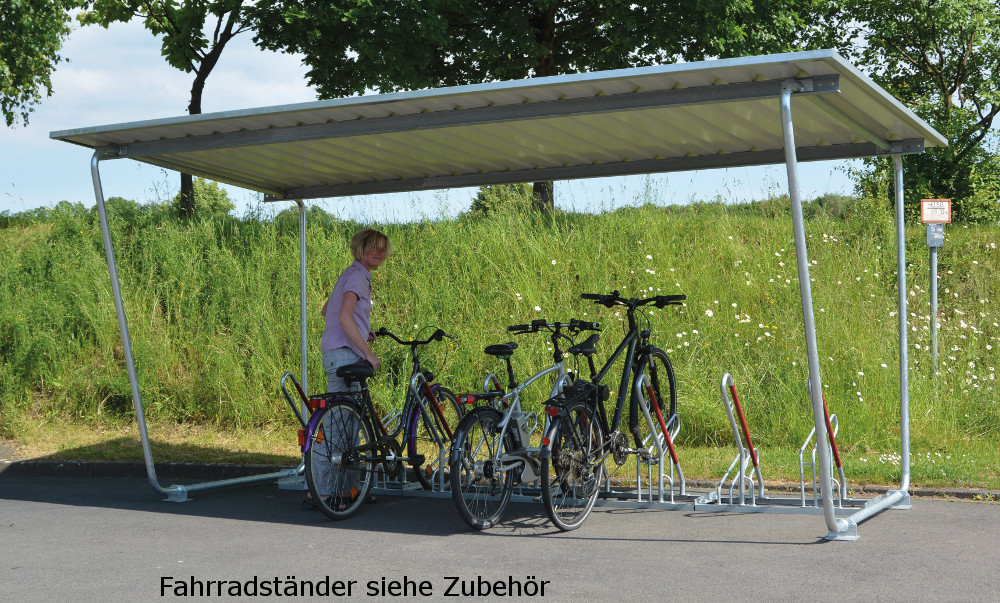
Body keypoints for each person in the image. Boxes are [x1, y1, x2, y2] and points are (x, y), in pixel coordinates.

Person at [308, 227, 391, 511]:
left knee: (345, 426)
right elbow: (343, 316)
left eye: (383, 248)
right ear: (360, 249)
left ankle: (346, 490)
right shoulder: (357, 276)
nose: (379, 253)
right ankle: (322, 492)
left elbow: (327, 311)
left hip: (337, 352)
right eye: (373, 247)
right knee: (339, 429)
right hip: (344, 356)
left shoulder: (350, 273)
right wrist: (368, 354)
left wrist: (362, 329)